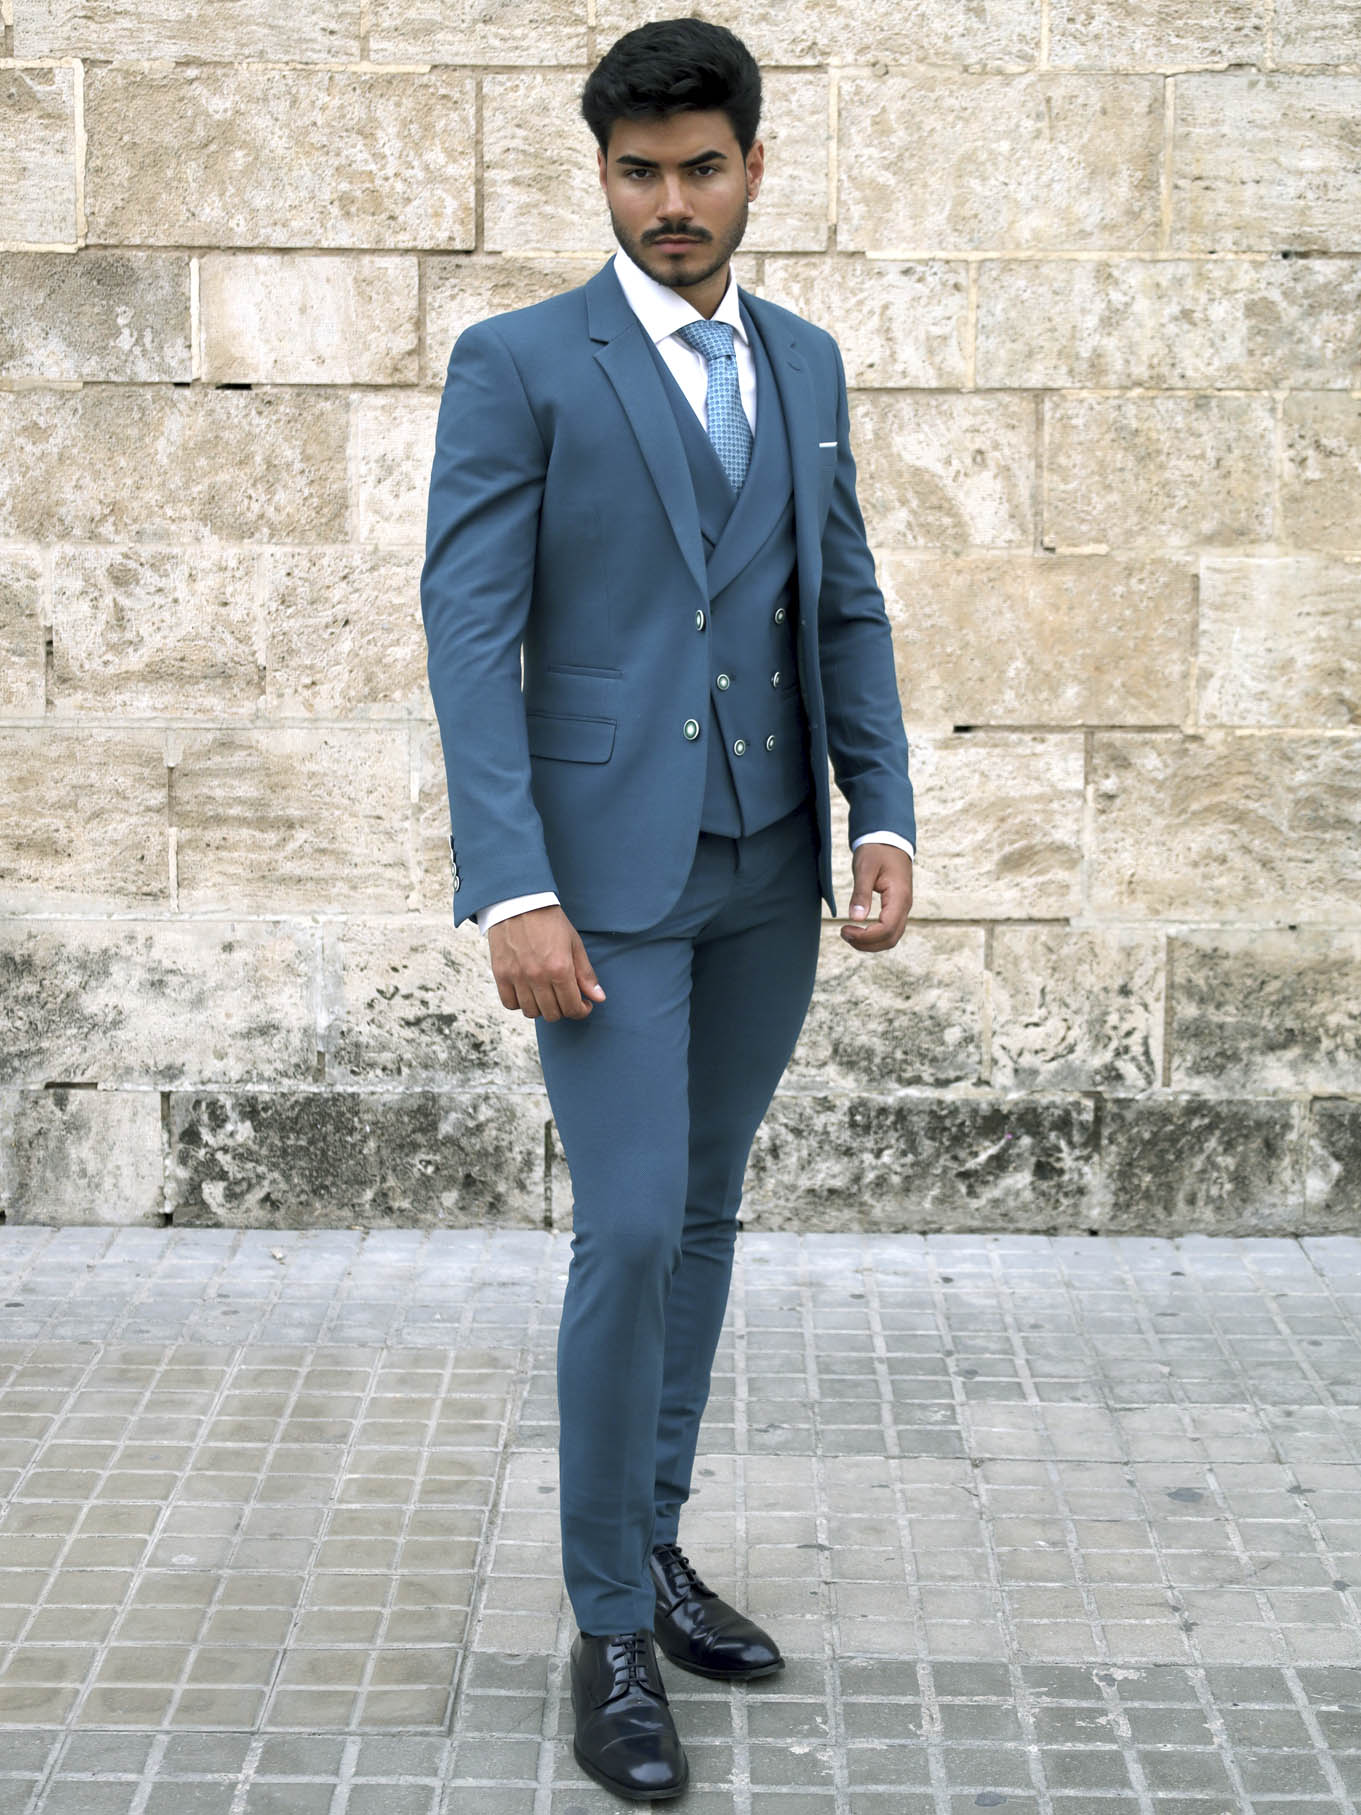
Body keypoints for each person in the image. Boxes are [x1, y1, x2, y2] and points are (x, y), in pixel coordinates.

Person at [421, 17, 916, 1801]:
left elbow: (838, 601)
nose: (670, 202)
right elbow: (469, 633)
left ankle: (649, 1538)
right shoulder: (518, 364)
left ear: (753, 166)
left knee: (702, 1217)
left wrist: (881, 812)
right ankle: (607, 1624)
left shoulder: (804, 363)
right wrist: (512, 884)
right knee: (626, 1230)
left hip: (766, 865)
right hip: (599, 887)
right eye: (637, 173)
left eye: (701, 167)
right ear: (604, 176)